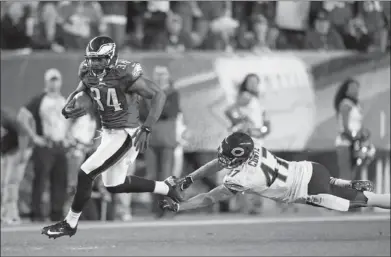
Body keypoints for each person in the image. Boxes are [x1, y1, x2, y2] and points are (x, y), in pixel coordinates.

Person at [41, 36, 183, 239]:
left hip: (127, 131)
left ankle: (70, 223)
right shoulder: (87, 70)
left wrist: (148, 128)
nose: (95, 63)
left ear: (111, 57)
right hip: (109, 132)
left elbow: (159, 94)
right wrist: (71, 102)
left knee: (85, 173)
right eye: (92, 58)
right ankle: (165, 187)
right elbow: (83, 89)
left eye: (99, 59)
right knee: (114, 185)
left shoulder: (125, 73)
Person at [160, 132, 390, 213]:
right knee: (364, 197)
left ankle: (348, 192)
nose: (223, 160)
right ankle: (345, 183)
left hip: (308, 189)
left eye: (229, 157)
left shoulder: (243, 178)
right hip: (311, 168)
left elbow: (209, 197)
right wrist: (189, 178)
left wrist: (181, 206)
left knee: (361, 202)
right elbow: (218, 163)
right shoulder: (255, 146)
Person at [19, 68, 71, 222]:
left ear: (60, 82)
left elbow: (66, 122)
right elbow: (22, 116)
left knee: (60, 181)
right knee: (40, 181)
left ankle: (57, 213)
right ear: (46, 82)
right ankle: (37, 214)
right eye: (51, 80)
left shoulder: (63, 100)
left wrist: (68, 137)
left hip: (60, 145)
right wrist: (34, 137)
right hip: (45, 145)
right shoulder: (40, 99)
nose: (54, 84)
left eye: (56, 80)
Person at [225, 73, 270, 214]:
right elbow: (230, 110)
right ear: (245, 83)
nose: (254, 85)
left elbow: (261, 117)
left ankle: (248, 205)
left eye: (256, 82)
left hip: (256, 138)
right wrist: (242, 122)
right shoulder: (245, 96)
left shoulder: (256, 98)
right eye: (251, 82)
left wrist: (263, 127)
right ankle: (247, 206)